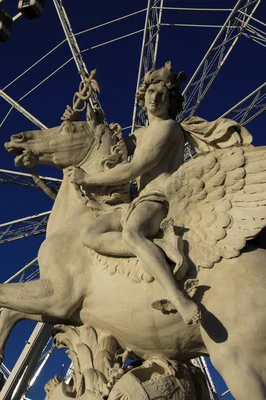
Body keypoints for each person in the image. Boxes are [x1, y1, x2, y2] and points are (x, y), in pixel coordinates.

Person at [66, 62, 200, 326]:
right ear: (143, 96)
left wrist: (89, 179)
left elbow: (135, 168)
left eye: (162, 94)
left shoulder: (169, 128)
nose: (155, 97)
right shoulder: (139, 135)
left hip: (158, 198)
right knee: (89, 234)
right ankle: (158, 248)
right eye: (151, 91)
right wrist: (79, 122)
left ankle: (178, 297)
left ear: (171, 101)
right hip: (134, 203)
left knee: (131, 233)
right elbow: (103, 146)